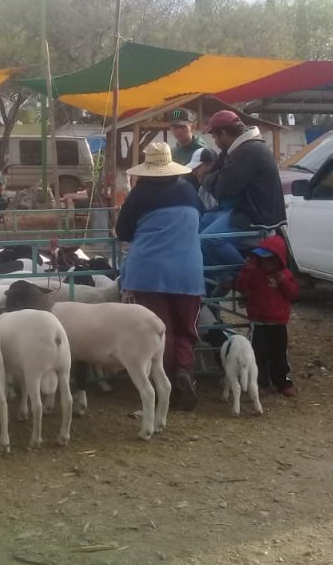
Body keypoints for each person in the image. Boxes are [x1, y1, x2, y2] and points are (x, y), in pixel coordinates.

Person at [116, 141, 204, 411]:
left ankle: (162, 389)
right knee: (185, 329)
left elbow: (123, 232)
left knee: (158, 330)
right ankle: (184, 373)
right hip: (188, 270)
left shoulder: (140, 195)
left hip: (148, 272)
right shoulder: (189, 191)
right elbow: (201, 218)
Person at [200, 110, 286, 292]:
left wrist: (209, 179)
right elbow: (215, 175)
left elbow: (223, 189)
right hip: (243, 210)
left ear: (223, 134)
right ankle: (220, 279)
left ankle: (248, 277)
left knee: (209, 239)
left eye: (215, 137)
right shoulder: (238, 148)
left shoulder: (248, 151)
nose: (215, 142)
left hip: (256, 216)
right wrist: (213, 178)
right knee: (199, 226)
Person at [234, 234, 298, 397]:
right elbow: (242, 286)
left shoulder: (285, 275)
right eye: (263, 259)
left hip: (278, 322)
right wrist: (247, 270)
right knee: (258, 354)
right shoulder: (254, 272)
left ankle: (282, 381)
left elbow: (292, 293)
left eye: (270, 259)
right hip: (259, 321)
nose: (266, 263)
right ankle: (260, 383)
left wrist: (282, 281)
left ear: (279, 259)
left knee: (279, 354)